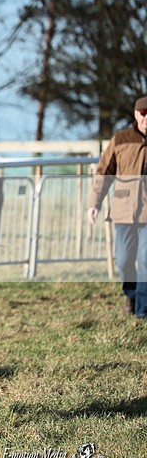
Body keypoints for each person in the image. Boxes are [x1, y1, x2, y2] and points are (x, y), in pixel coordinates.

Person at [87, 95, 147, 318]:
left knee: (146, 261)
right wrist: (94, 203)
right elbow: (104, 172)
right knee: (123, 260)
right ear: (135, 114)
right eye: (143, 113)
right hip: (123, 211)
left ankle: (142, 312)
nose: (146, 118)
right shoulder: (120, 139)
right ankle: (130, 296)